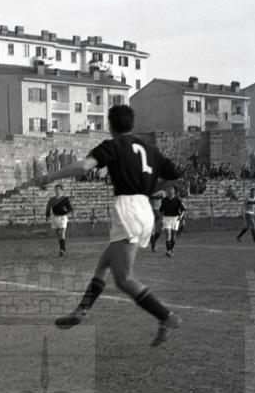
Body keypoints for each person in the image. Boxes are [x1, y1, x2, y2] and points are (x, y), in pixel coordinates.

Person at [34, 104, 182, 347]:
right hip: (143, 209)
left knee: (124, 279)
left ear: (110, 125)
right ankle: (80, 311)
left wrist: (49, 177)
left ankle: (166, 316)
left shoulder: (113, 145)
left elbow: (84, 167)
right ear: (132, 124)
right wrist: (149, 189)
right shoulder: (150, 149)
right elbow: (175, 175)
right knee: (104, 264)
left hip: (128, 210)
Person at [45, 184, 73, 256]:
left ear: (61, 190)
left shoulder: (65, 199)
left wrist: (66, 211)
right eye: (56, 189)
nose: (57, 191)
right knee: (58, 234)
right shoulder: (52, 199)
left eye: (58, 189)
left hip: (63, 217)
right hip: (55, 217)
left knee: (62, 232)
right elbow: (48, 207)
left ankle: (62, 249)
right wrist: (47, 216)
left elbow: (70, 208)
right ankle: (62, 248)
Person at [159, 186, 186, 257]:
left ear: (174, 191)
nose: (169, 190)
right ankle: (168, 251)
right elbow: (161, 210)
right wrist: (161, 217)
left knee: (173, 237)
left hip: (175, 219)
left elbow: (183, 210)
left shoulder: (178, 200)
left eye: (171, 189)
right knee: (168, 235)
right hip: (166, 218)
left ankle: (170, 250)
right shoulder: (164, 200)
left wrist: (181, 216)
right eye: (168, 189)